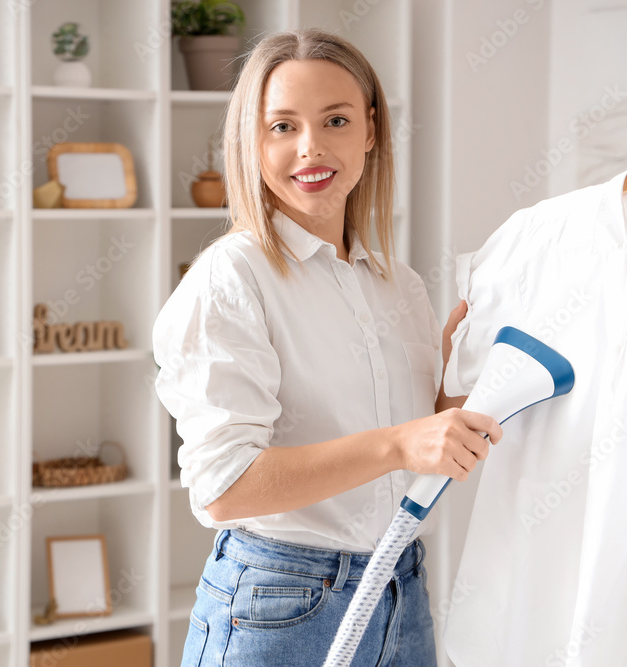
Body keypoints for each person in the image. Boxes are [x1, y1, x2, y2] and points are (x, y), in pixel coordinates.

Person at [153, 28, 501, 666]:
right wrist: (399, 442)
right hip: (279, 609)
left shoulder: (397, 284)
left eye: (334, 120)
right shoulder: (232, 279)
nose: (309, 147)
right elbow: (225, 487)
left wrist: (453, 391)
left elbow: (413, 453)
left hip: (401, 590)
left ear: (369, 130)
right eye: (281, 126)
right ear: (252, 143)